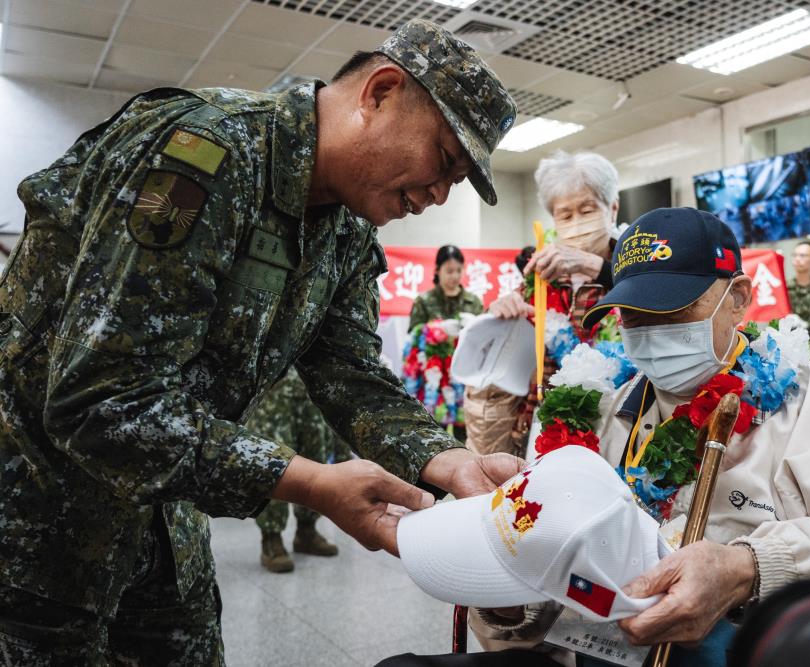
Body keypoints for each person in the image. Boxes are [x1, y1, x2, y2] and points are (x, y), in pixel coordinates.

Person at [0, 19, 523, 663]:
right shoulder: (205, 155)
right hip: (38, 531)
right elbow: (102, 400)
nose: (438, 194)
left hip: (165, 523)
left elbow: (351, 372)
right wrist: (308, 482)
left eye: (459, 180)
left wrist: (446, 462)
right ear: (380, 92)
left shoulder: (348, 232)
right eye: (444, 159)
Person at [466, 209, 810, 666]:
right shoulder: (595, 411)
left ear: (738, 298)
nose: (650, 333)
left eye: (670, 311)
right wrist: (514, 602)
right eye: (633, 316)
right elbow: (548, 589)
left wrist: (748, 568)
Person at [464, 150, 621, 458]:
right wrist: (505, 314)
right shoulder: (538, 279)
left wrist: (594, 266)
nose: (576, 223)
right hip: (543, 434)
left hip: (616, 435)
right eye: (565, 214)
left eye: (587, 210)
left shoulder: (634, 270)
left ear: (612, 210)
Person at [251, 367, 351, 573]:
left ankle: (307, 532)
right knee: (272, 462)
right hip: (273, 390)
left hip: (309, 389)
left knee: (315, 457)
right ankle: (271, 539)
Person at [407, 244, 483, 332]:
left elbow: (483, 334)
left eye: (459, 270)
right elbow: (413, 336)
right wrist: (435, 329)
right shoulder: (423, 301)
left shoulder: (474, 302)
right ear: (437, 270)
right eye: (449, 271)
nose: (455, 276)